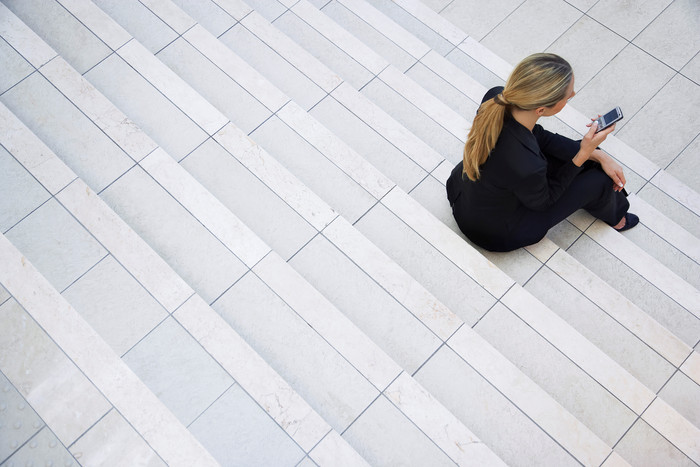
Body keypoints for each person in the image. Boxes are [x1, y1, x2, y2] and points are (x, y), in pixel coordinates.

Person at [446, 53, 638, 252]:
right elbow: (545, 201)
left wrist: (597, 154)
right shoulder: (528, 165)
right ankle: (617, 216)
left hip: (466, 196)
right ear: (540, 109)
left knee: (591, 156)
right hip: (494, 231)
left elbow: (541, 138)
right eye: (568, 96)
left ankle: (605, 185)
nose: (572, 95)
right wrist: (583, 154)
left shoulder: (498, 97)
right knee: (600, 180)